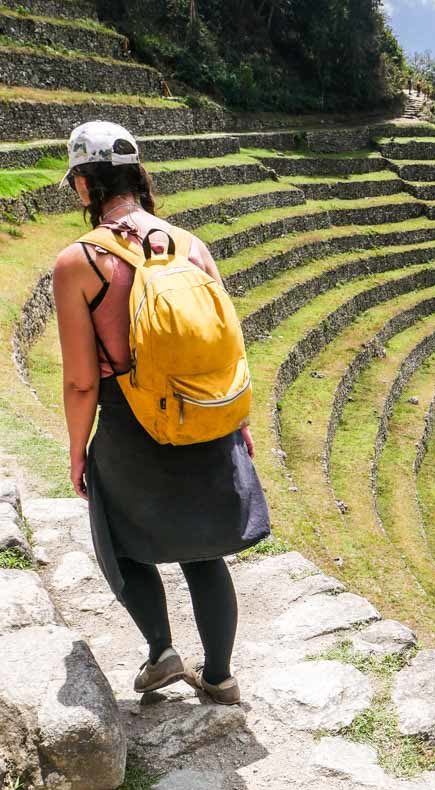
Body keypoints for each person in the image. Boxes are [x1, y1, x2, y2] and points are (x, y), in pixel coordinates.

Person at [52, 121, 271, 706]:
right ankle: (220, 678)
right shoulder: (190, 245)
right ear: (137, 176)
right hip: (203, 412)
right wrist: (238, 423)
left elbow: (79, 380)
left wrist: (78, 450)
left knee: (119, 543)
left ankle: (161, 652)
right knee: (205, 551)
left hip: (130, 420)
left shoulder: (78, 264)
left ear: (84, 186)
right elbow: (226, 344)